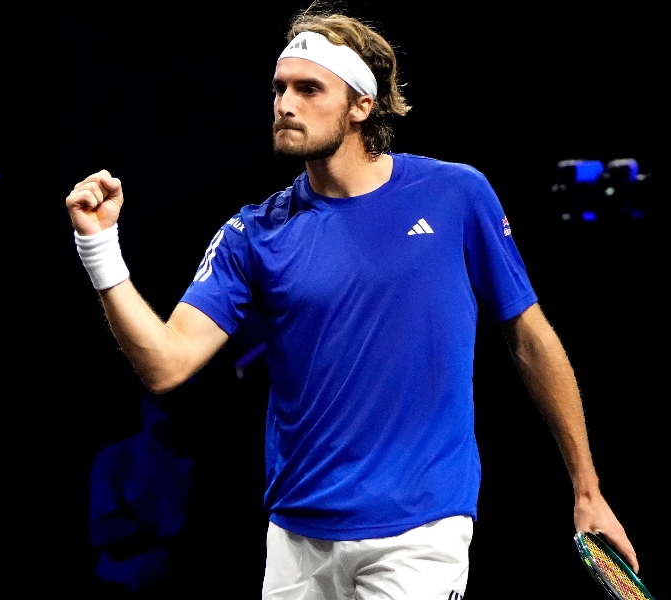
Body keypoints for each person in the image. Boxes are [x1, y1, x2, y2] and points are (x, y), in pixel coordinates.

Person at [64, 7, 639, 599]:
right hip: (295, 540)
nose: (286, 102)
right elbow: (165, 364)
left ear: (362, 106)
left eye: (309, 88)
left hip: (419, 532)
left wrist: (587, 489)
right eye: (280, 87)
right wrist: (99, 248)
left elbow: (531, 339)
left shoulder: (456, 194)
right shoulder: (252, 234)